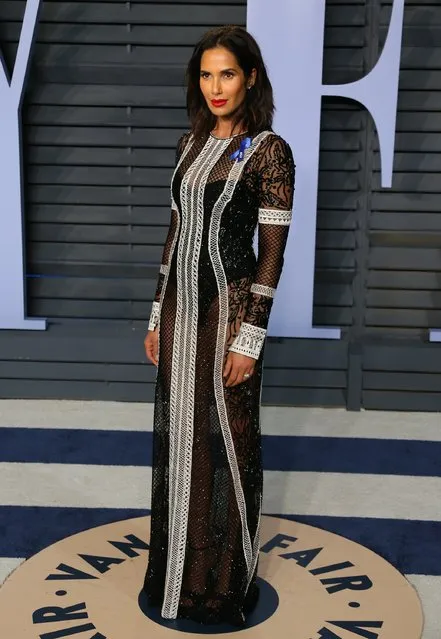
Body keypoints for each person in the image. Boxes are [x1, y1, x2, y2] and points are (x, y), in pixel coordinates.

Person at [141, 24, 295, 626]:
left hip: (227, 314)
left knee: (226, 442)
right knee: (180, 439)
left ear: (250, 76)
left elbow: (272, 254)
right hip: (180, 312)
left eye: (227, 73)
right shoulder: (189, 144)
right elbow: (175, 235)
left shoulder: (269, 150)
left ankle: (220, 584)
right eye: (206, 75)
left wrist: (250, 336)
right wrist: (157, 314)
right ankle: (175, 573)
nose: (216, 86)